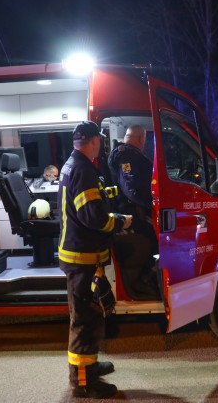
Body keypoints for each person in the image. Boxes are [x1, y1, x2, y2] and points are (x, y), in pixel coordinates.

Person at [57, 121, 132, 399]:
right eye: (99, 140)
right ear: (92, 142)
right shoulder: (83, 169)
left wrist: (115, 192)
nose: (101, 144)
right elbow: (95, 217)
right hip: (82, 257)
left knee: (89, 316)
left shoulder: (73, 164)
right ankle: (82, 381)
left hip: (80, 254)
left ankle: (88, 365)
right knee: (84, 320)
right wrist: (122, 221)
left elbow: (90, 200)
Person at [108, 125, 160, 300]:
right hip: (131, 212)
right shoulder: (127, 155)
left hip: (132, 210)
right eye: (144, 139)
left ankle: (147, 279)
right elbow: (131, 189)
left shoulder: (127, 154)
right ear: (140, 138)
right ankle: (143, 280)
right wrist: (152, 205)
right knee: (156, 238)